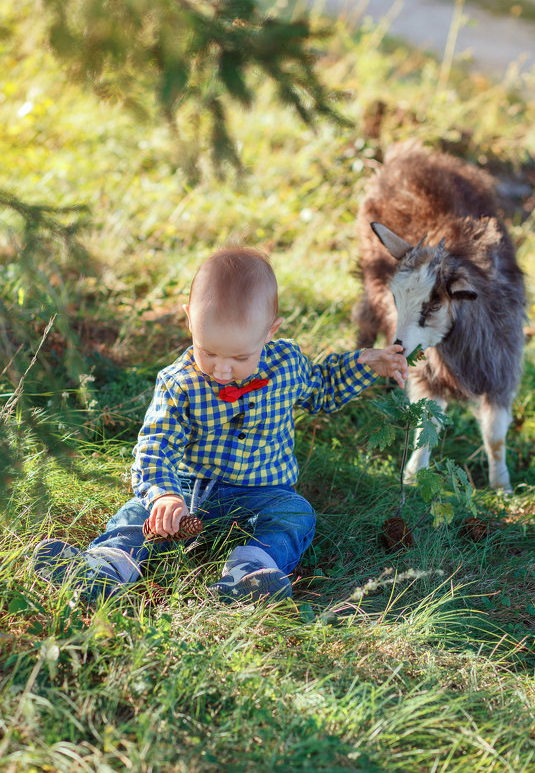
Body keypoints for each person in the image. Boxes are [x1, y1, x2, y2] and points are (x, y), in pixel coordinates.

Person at [34, 247, 408, 603]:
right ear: (190, 321)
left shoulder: (288, 365)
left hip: (261, 494)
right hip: (187, 491)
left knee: (295, 514)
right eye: (207, 351)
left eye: (240, 356)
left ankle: (251, 572)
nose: (222, 369)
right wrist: (164, 495)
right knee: (136, 515)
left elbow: (322, 388)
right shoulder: (179, 382)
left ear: (270, 331)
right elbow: (156, 445)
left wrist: (364, 363)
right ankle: (104, 568)